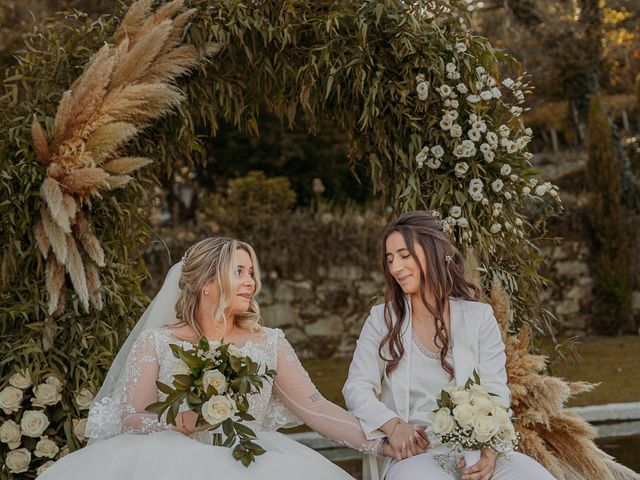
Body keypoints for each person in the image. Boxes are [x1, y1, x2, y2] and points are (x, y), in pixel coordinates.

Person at [38, 237, 411, 480]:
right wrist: (178, 421)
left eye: (252, 273)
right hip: (166, 464)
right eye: (239, 272)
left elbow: (316, 408)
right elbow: (131, 417)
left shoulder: (268, 343)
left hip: (256, 462)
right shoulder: (157, 342)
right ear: (206, 282)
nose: (251, 282)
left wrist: (378, 442)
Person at [342, 211, 556, 480]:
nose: (395, 267)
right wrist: (393, 425)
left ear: (433, 251)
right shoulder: (382, 319)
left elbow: (496, 392)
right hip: (416, 454)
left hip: (477, 451)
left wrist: (490, 452)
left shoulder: (479, 317)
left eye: (404, 255)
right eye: (390, 259)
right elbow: (356, 389)